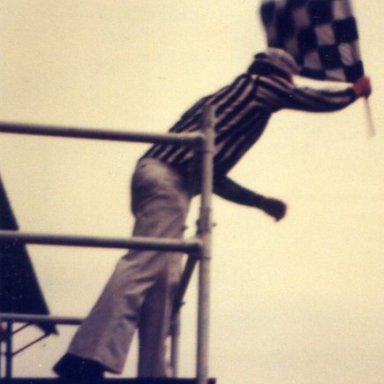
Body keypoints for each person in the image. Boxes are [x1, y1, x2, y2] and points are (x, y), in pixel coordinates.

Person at [53, 48, 372, 383]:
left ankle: (155, 373)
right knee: (143, 264)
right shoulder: (258, 84)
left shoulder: (231, 103)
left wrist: (259, 201)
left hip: (166, 178)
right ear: (278, 73)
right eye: (288, 78)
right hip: (168, 178)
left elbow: (213, 177)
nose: (288, 83)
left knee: (164, 280)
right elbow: (304, 98)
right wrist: (352, 93)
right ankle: (84, 358)